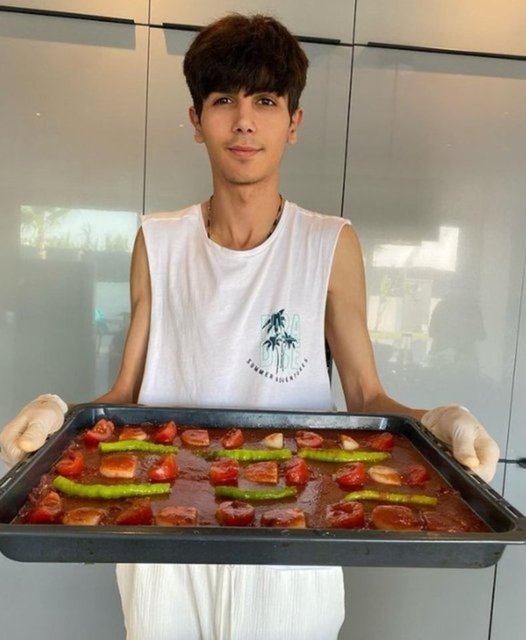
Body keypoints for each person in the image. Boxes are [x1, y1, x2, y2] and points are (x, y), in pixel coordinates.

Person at [0, 13, 500, 640]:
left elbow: (367, 398)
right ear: (196, 120)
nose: (243, 121)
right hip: (163, 542)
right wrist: (56, 413)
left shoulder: (329, 243)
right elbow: (124, 397)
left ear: (293, 122)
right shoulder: (158, 240)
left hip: (294, 541)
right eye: (223, 100)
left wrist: (439, 423)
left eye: (265, 101)